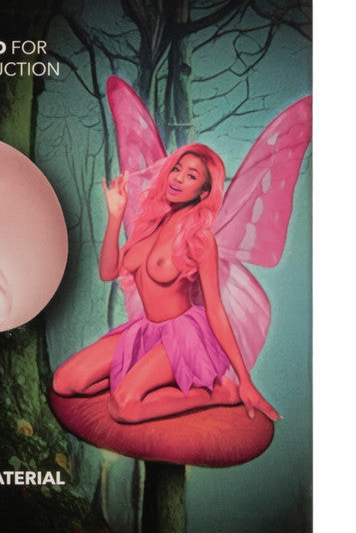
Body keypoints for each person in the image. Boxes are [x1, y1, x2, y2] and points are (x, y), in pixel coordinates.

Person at [52, 145, 278, 424]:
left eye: (191, 176)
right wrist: (115, 215)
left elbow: (215, 308)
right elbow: (108, 272)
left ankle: (222, 393)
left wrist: (244, 379)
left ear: (203, 192)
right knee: (64, 382)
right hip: (145, 331)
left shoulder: (200, 238)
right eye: (177, 169)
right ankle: (145, 374)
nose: (178, 178)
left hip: (184, 337)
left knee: (123, 406)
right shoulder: (149, 225)